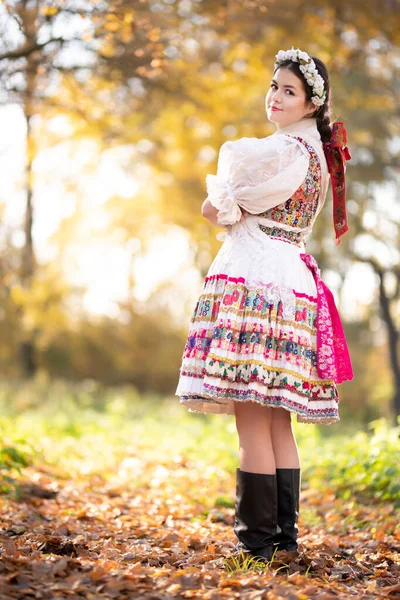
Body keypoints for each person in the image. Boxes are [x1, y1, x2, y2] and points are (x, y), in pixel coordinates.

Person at [175, 47, 354, 562]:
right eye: (274, 86)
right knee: (277, 422)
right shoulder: (316, 152)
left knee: (253, 419)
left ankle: (255, 549)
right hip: (291, 278)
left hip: (258, 280)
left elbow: (219, 206)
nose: (275, 97)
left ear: (311, 103)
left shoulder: (279, 152)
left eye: (288, 91)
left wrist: (222, 205)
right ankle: (283, 544)